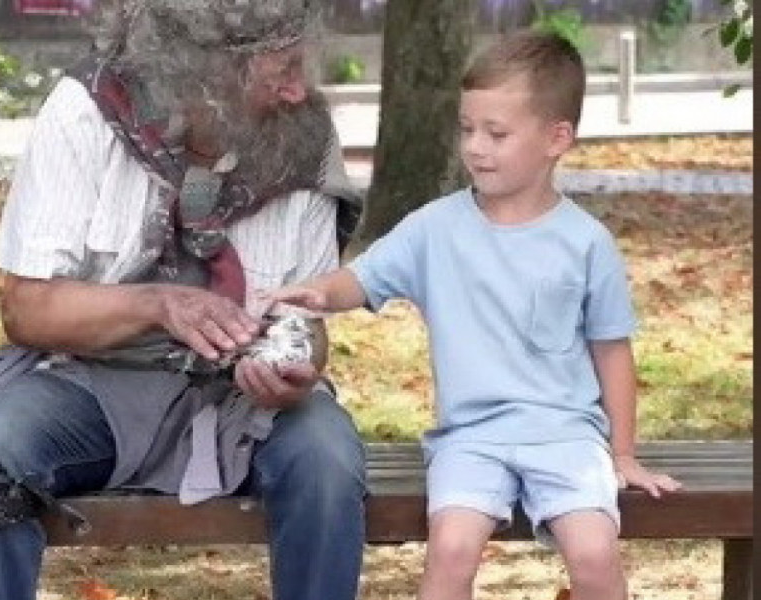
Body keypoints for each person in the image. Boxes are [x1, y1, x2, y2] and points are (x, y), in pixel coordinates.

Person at [0, 2, 367, 600]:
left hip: (241, 401)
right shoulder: (85, 111)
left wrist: (299, 369)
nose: (299, 91)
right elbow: (27, 310)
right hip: (93, 386)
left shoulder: (305, 134)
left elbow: (307, 321)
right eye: (280, 71)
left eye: (302, 65)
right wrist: (159, 304)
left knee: (327, 460)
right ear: (203, 74)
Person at [266, 30, 682, 600]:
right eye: (467, 129)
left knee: (594, 555)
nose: (476, 147)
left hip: (566, 435)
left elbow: (612, 350)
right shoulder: (435, 227)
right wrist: (319, 293)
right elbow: (361, 278)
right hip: (470, 438)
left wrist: (624, 454)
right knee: (453, 550)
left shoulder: (587, 243)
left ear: (557, 138)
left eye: (497, 133)